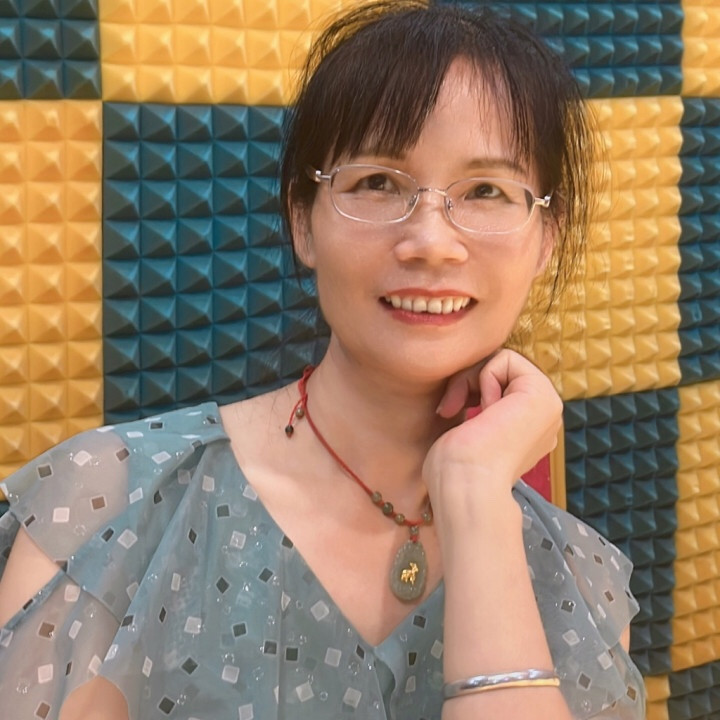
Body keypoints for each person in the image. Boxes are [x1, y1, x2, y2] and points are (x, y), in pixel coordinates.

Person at [0, 2, 645, 718]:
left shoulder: (582, 587)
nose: (432, 242)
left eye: (487, 191)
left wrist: (473, 493)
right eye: (378, 183)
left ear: (547, 238)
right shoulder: (105, 509)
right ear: (303, 220)